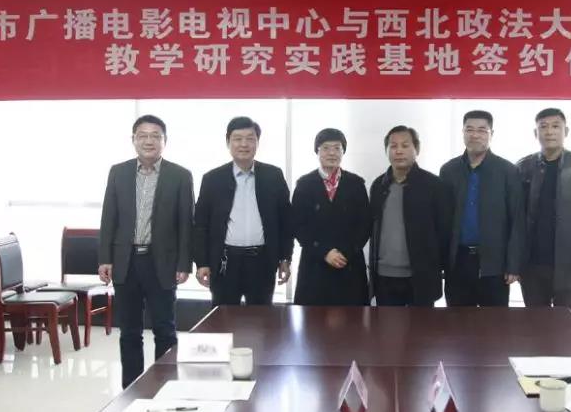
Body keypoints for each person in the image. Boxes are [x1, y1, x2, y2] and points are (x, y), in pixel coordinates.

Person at [98, 115, 194, 389]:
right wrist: (105, 258)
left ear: (164, 141)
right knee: (129, 331)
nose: (149, 141)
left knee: (165, 329)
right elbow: (109, 218)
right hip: (125, 261)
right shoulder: (118, 172)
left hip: (161, 262)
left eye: (155, 136)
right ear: (134, 140)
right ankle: (132, 389)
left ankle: (165, 386)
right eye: (143, 135)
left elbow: (186, 223)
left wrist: (184, 263)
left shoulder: (180, 175)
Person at [193, 116, 292, 305]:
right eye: (237, 139)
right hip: (225, 262)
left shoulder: (273, 176)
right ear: (228, 143)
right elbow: (201, 224)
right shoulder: (212, 179)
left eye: (250, 138)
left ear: (257, 142)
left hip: (262, 261)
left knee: (262, 317)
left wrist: (285, 258)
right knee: (223, 317)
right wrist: (202, 262)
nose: (244, 144)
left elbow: (286, 222)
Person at [517, 108, 571, 313]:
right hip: (532, 264)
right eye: (543, 127)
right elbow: (514, 218)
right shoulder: (523, 167)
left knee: (567, 323)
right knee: (535, 323)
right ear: (536, 133)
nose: (549, 132)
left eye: (556, 126)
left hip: (569, 263)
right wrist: (514, 262)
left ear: (566, 131)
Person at [439, 110, 525, 306]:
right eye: (469, 129)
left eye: (481, 130)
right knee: (457, 319)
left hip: (494, 263)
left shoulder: (508, 171)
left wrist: (513, 265)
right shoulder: (448, 170)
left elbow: (517, 220)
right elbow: (442, 219)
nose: (475, 135)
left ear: (491, 134)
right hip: (458, 261)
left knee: (494, 322)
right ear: (463, 133)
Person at [369, 125, 453, 307]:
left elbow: (444, 232)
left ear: (417, 149)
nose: (399, 151)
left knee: (422, 326)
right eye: (393, 146)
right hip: (384, 276)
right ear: (386, 151)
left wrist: (439, 268)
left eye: (405, 145)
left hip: (421, 276)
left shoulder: (434, 186)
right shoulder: (378, 186)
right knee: (386, 325)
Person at [291, 128, 371, 305]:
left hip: (349, 263)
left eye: (337, 148)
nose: (332, 153)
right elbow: (298, 225)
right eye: (326, 148)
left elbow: (365, 224)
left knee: (354, 319)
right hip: (315, 264)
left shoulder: (356, 184)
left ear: (343, 152)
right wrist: (325, 252)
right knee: (312, 319)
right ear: (317, 151)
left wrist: (345, 253)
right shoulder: (304, 184)